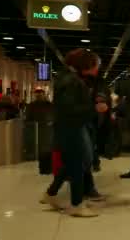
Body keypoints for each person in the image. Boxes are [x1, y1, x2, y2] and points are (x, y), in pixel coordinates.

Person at [43, 49, 106, 217]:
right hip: (72, 127)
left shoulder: (69, 78)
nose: (97, 69)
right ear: (86, 64)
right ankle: (76, 204)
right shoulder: (71, 81)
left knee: (76, 162)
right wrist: (94, 108)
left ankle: (51, 194)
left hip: (71, 126)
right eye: (96, 66)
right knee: (79, 163)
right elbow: (70, 109)